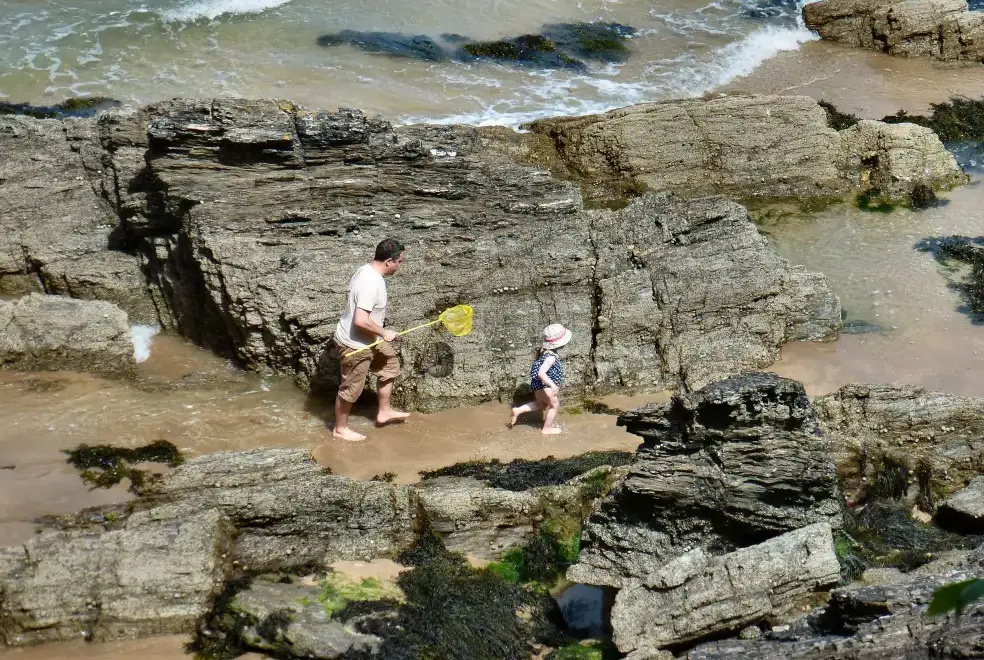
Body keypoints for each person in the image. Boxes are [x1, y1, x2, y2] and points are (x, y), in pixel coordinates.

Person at [332, 238, 410, 441]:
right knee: (351, 389)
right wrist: (384, 333)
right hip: (355, 345)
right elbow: (360, 320)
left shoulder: (366, 270)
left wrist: (378, 335)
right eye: (400, 261)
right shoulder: (371, 283)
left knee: (390, 366)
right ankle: (340, 429)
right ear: (389, 261)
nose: (401, 265)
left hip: (370, 339)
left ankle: (383, 412)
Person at [509, 323, 572, 435]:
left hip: (538, 387)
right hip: (546, 387)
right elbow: (541, 373)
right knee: (554, 405)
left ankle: (518, 410)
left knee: (541, 405)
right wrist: (552, 385)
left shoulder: (544, 354)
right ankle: (546, 429)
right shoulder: (551, 357)